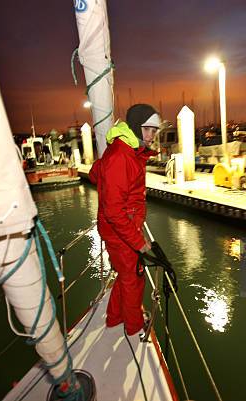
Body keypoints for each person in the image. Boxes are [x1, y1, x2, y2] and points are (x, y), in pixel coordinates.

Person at [88, 104, 160, 336]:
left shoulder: (127, 149)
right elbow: (114, 212)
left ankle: (114, 318)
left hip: (123, 226)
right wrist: (138, 241)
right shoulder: (122, 155)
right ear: (137, 127)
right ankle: (134, 326)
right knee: (133, 278)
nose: (152, 135)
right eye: (148, 129)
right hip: (120, 230)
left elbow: (95, 172)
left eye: (155, 130)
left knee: (125, 274)